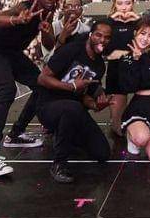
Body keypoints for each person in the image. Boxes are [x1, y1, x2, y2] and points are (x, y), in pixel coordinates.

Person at [0, 0, 59, 177]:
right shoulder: (24, 7)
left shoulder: (48, 13)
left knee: (42, 85)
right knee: (7, 90)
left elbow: (49, 44)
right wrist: (16, 20)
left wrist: (46, 31)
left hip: (13, 53)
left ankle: (15, 134)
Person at [34, 20, 112, 184]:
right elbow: (42, 78)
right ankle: (59, 164)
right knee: (72, 107)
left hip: (75, 111)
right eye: (98, 35)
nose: (102, 40)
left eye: (107, 37)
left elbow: (85, 96)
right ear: (90, 35)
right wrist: (71, 86)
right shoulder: (71, 50)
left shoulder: (99, 66)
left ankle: (67, 135)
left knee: (102, 153)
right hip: (48, 106)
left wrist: (96, 106)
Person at [116, 19, 150, 161]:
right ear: (135, 33)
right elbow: (129, 87)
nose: (145, 38)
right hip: (138, 105)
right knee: (141, 138)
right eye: (143, 33)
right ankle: (132, 137)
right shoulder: (126, 57)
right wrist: (135, 61)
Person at [103, 0, 141, 136]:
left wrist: (138, 19)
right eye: (120, 3)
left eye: (128, 3)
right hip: (117, 71)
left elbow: (149, 39)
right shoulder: (108, 23)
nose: (124, 7)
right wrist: (112, 19)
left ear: (133, 3)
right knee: (117, 126)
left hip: (137, 68)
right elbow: (102, 47)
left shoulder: (137, 22)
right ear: (114, 4)